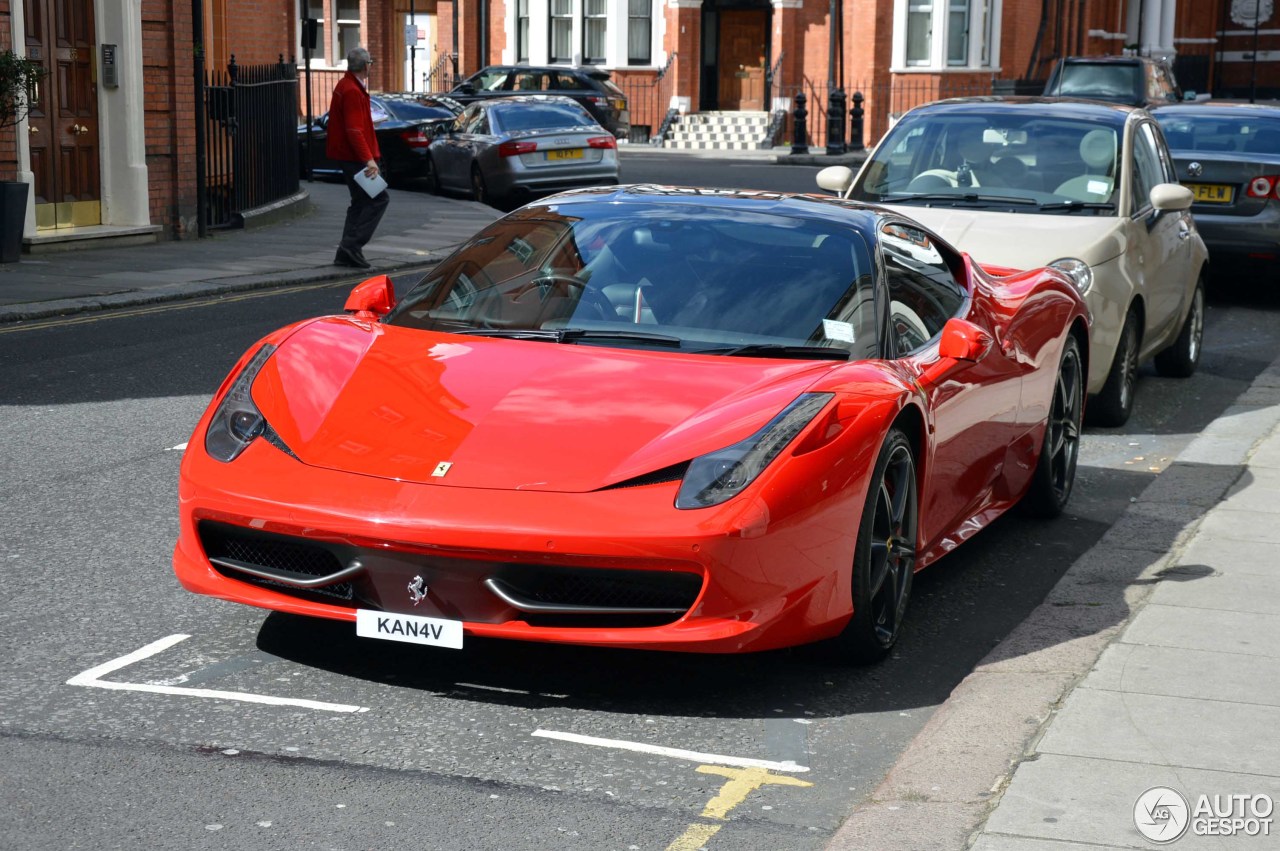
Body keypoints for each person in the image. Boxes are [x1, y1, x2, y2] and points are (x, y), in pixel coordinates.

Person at [326, 46, 388, 269]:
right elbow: (353, 131)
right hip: (356, 158)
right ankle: (350, 247)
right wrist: (369, 160)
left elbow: (354, 125)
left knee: (361, 202)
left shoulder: (348, 86)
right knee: (379, 199)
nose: (371, 67)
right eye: (370, 63)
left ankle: (347, 251)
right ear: (365, 66)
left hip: (351, 156)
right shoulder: (352, 90)